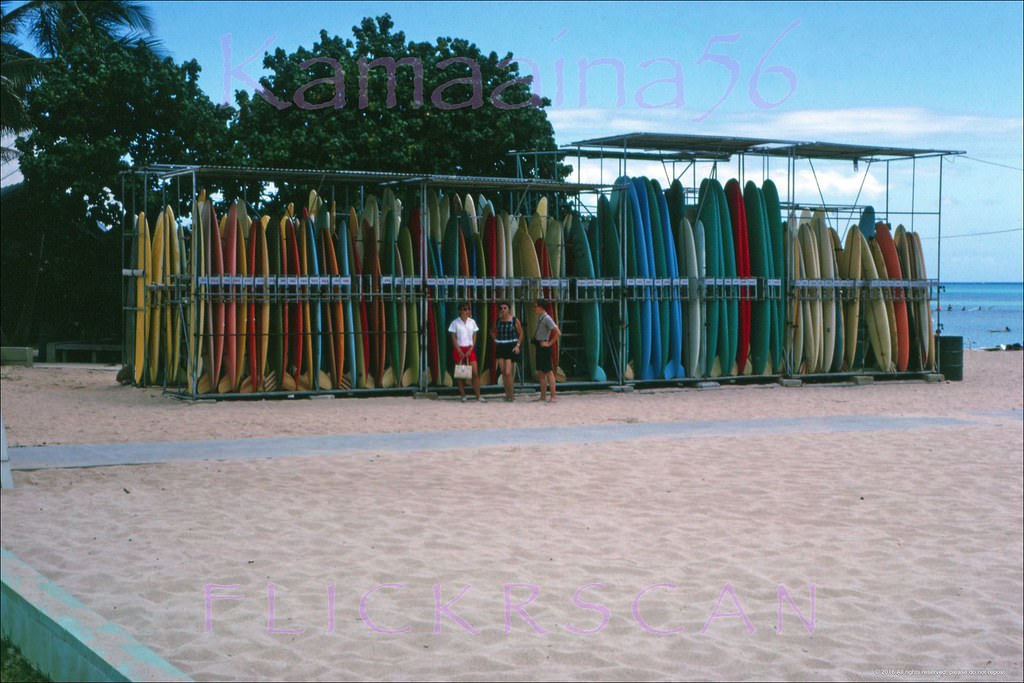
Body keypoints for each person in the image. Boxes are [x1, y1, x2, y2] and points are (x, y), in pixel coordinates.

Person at [448, 302, 483, 402]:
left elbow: (474, 336)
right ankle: (463, 395)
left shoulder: (472, 322)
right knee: (461, 373)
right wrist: (458, 350)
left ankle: (478, 395)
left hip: (469, 348)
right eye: (464, 309)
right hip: (459, 348)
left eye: (468, 309)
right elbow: (453, 337)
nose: (466, 311)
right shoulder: (455, 323)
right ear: (460, 311)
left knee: (475, 373)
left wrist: (471, 348)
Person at [491, 300, 524, 402]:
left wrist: (517, 345)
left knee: (508, 372)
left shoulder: (514, 320)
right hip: (501, 345)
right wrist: (495, 339)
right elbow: (491, 331)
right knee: (503, 373)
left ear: (509, 309)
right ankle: (507, 394)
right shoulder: (498, 320)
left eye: (505, 308)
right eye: (501, 308)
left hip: (510, 345)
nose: (503, 310)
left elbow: (521, 333)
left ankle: (512, 395)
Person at [532, 298, 560, 403]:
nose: (535, 309)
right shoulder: (541, 318)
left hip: (544, 346)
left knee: (548, 372)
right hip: (539, 345)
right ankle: (543, 396)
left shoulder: (547, 318)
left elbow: (557, 332)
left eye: (536, 306)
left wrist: (549, 343)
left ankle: (553, 396)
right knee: (541, 372)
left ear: (540, 307)